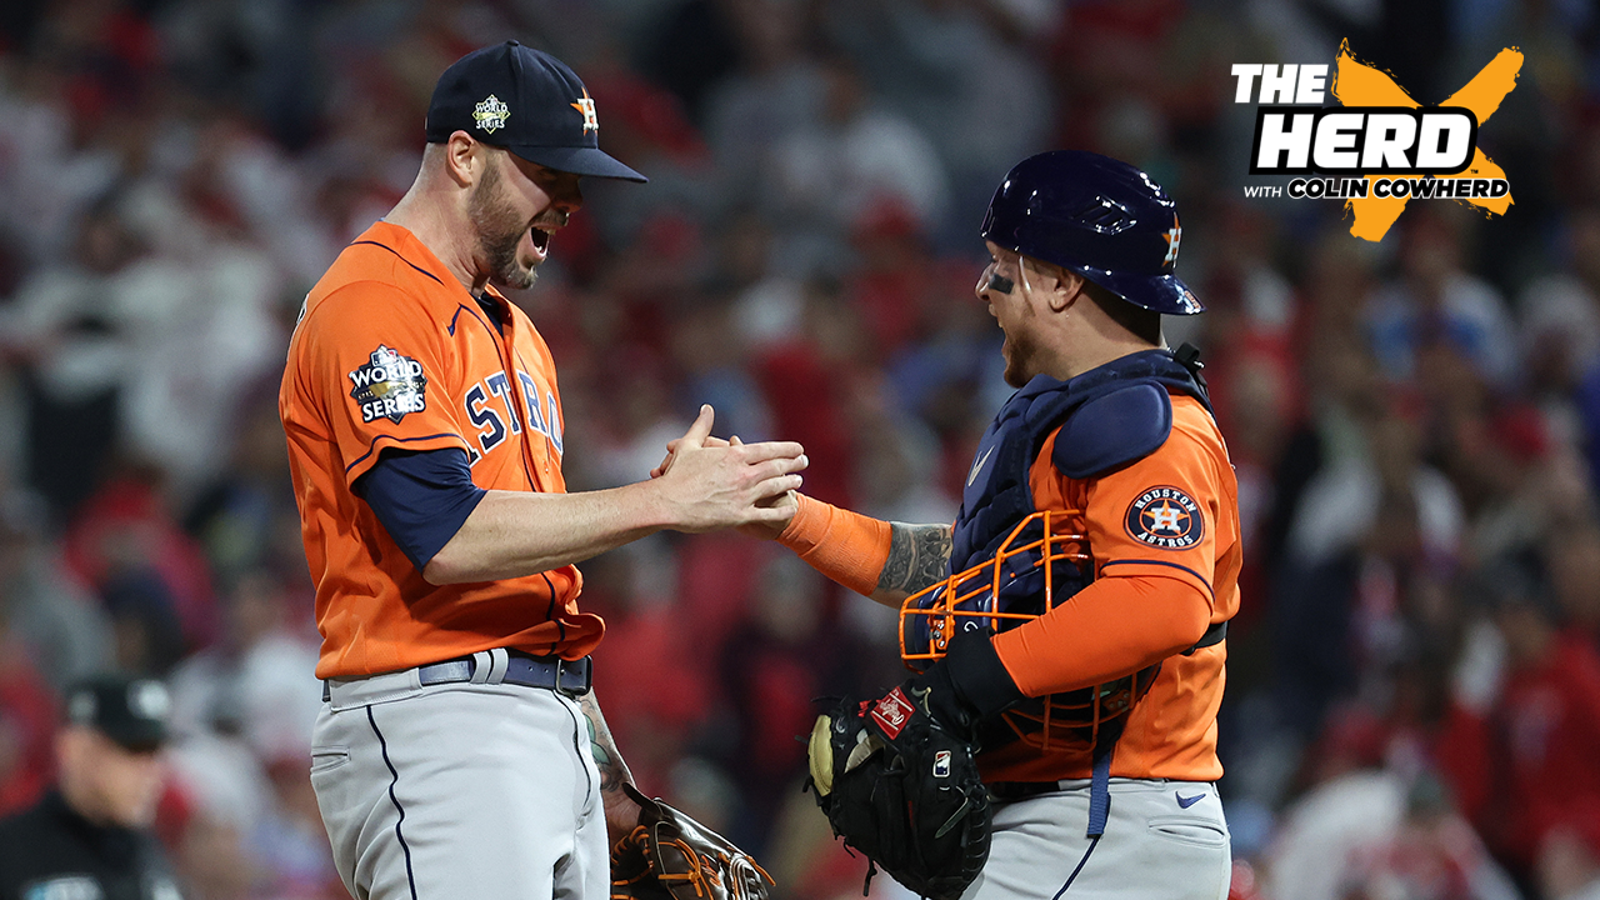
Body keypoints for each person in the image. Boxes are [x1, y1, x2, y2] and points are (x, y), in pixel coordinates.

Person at [277, 41, 807, 900]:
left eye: (576, 179)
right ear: (462, 155)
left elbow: (537, 581)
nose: (570, 202)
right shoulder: (371, 302)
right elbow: (444, 536)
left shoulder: (519, 335)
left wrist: (606, 777)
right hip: (436, 722)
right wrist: (663, 502)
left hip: (541, 719)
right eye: (548, 174)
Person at [748, 151, 1238, 899]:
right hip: (1064, 817)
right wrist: (783, 513)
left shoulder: (1154, 429)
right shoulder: (1069, 421)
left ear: (1062, 281)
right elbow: (961, 572)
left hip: (1109, 819)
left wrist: (957, 690)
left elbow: (1161, 599)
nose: (984, 287)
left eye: (1003, 265)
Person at [0, 673, 185, 900]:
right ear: (76, 750)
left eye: (157, 753)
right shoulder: (11, 852)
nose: (152, 772)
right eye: (133, 750)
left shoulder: (153, 858)